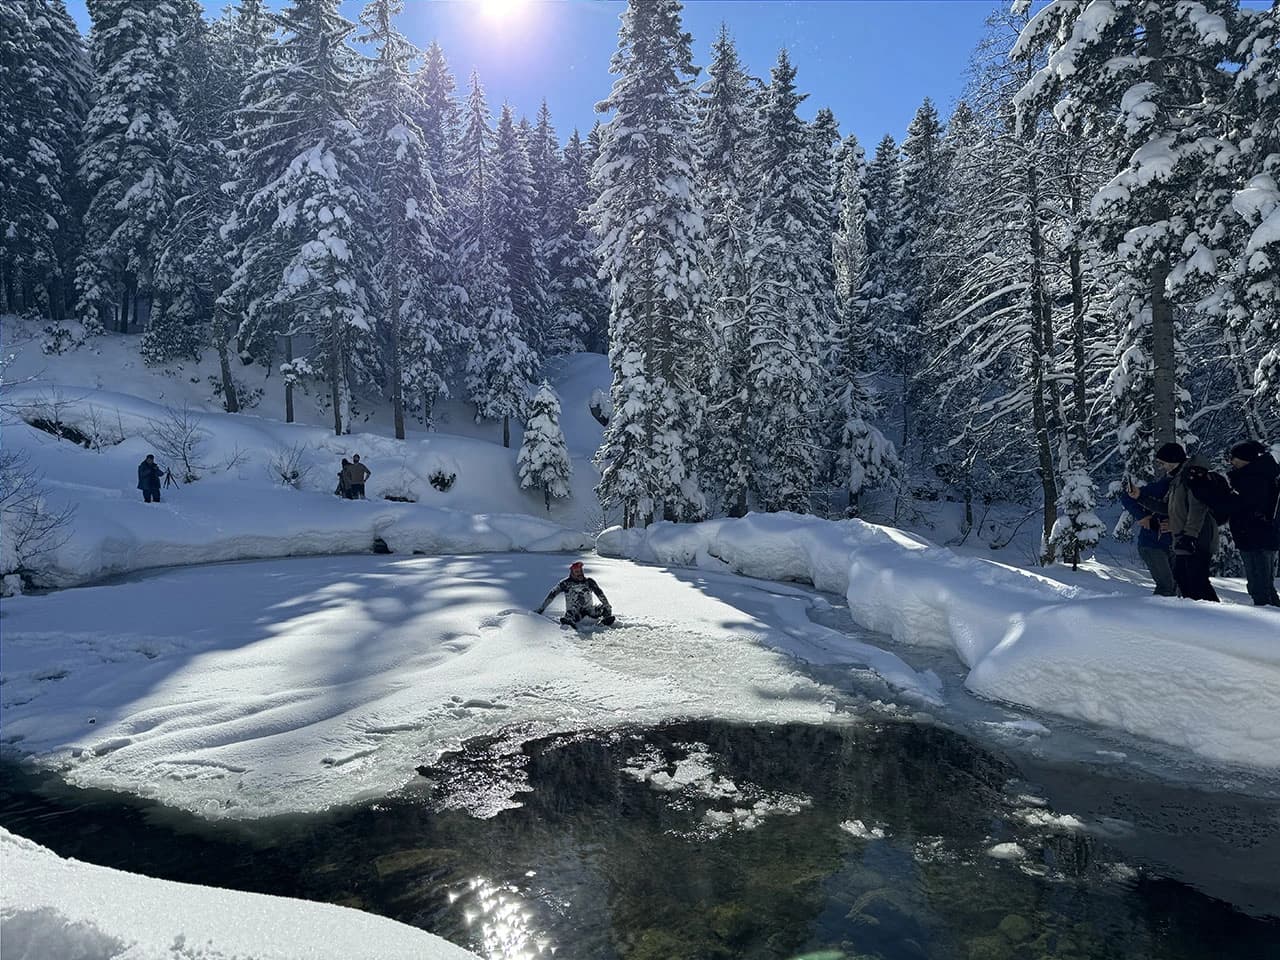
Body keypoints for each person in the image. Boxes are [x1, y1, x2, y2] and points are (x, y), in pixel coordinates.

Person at [1140, 442, 1219, 602]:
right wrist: (1140, 498)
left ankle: (1211, 617)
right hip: (1186, 537)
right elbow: (1171, 509)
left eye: (1163, 463)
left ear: (1173, 460)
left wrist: (1189, 536)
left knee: (1195, 581)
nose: (1162, 467)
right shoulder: (1178, 478)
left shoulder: (1191, 477)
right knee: (1185, 580)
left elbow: (1197, 509)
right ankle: (1198, 616)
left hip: (1196, 538)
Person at [1226, 440, 1280, 607]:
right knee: (1261, 582)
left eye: (1234, 458)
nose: (1232, 462)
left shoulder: (1255, 479)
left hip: (1256, 535)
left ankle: (1265, 613)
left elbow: (1250, 507)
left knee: (1259, 583)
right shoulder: (1261, 475)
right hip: (1256, 535)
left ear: (1245, 458)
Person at [1121, 471, 1176, 597]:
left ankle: (1172, 614)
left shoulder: (1194, 492)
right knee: (1166, 586)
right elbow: (1127, 496)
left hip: (1174, 546)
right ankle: (1156, 614)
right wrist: (1142, 516)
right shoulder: (1163, 487)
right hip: (1152, 545)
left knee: (1176, 586)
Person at [534, 561, 615, 626]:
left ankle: (604, 622)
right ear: (572, 573)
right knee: (570, 614)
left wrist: (606, 604)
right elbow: (552, 594)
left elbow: (599, 593)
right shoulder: (565, 583)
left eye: (580, 571)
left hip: (589, 610)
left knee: (606, 607)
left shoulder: (589, 582)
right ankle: (569, 623)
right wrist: (542, 608)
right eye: (576, 572)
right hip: (575, 612)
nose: (579, 573)